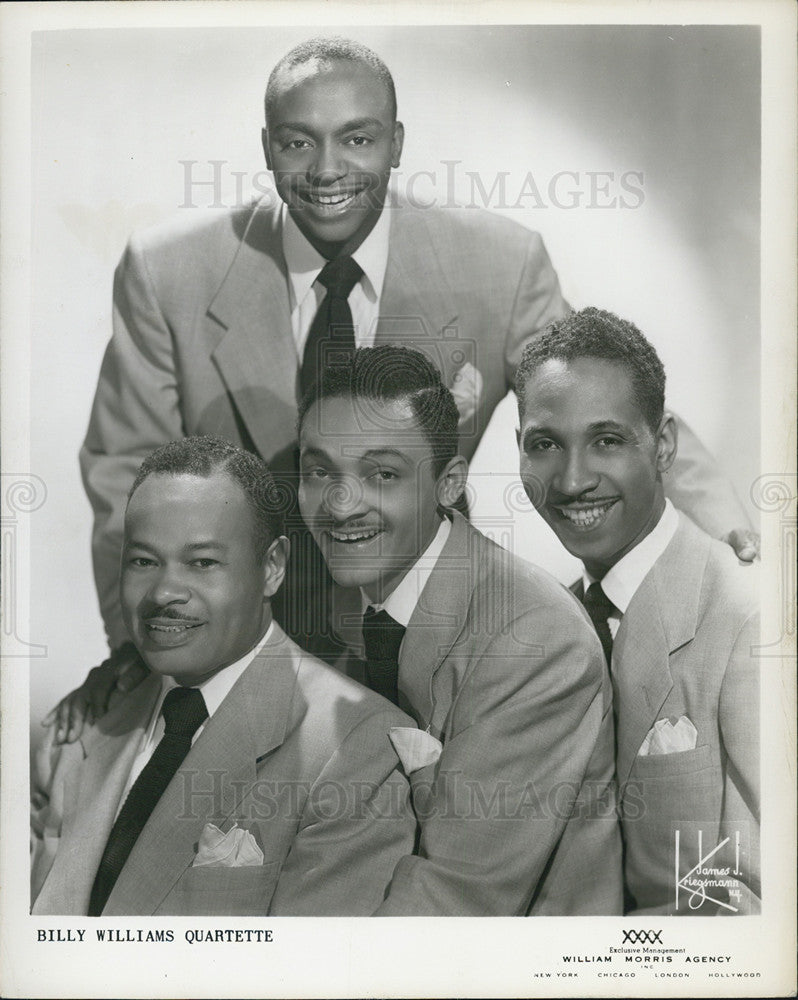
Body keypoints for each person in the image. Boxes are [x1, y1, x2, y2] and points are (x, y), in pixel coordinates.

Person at [56, 35, 756, 738]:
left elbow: (597, 392)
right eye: (299, 144)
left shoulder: (499, 260)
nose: (328, 170)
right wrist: (143, 647)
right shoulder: (169, 271)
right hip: (253, 634)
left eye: (356, 139)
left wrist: (728, 527)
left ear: (397, 142)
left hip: (436, 627)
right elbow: (126, 475)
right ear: (266, 148)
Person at [296, 345, 623, 915]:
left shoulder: (536, 640)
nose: (340, 505)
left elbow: (453, 902)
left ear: (449, 485)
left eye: (382, 474)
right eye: (320, 471)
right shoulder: (352, 603)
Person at [31, 437, 417, 916]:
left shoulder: (359, 752)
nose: (165, 591)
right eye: (143, 561)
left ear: (272, 568)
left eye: (203, 562)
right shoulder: (87, 723)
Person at [515, 308, 760, 915]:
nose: (572, 481)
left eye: (607, 440)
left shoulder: (748, 619)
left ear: (664, 446)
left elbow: (759, 896)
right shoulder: (547, 628)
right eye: (545, 444)